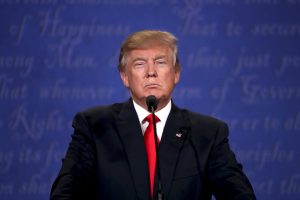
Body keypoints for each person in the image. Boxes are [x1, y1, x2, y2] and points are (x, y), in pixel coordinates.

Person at [50, 30, 256, 200]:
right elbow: (65, 196)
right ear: (124, 77)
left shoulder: (207, 134)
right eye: (139, 64)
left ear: (176, 73)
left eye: (160, 62)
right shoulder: (95, 126)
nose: (151, 72)